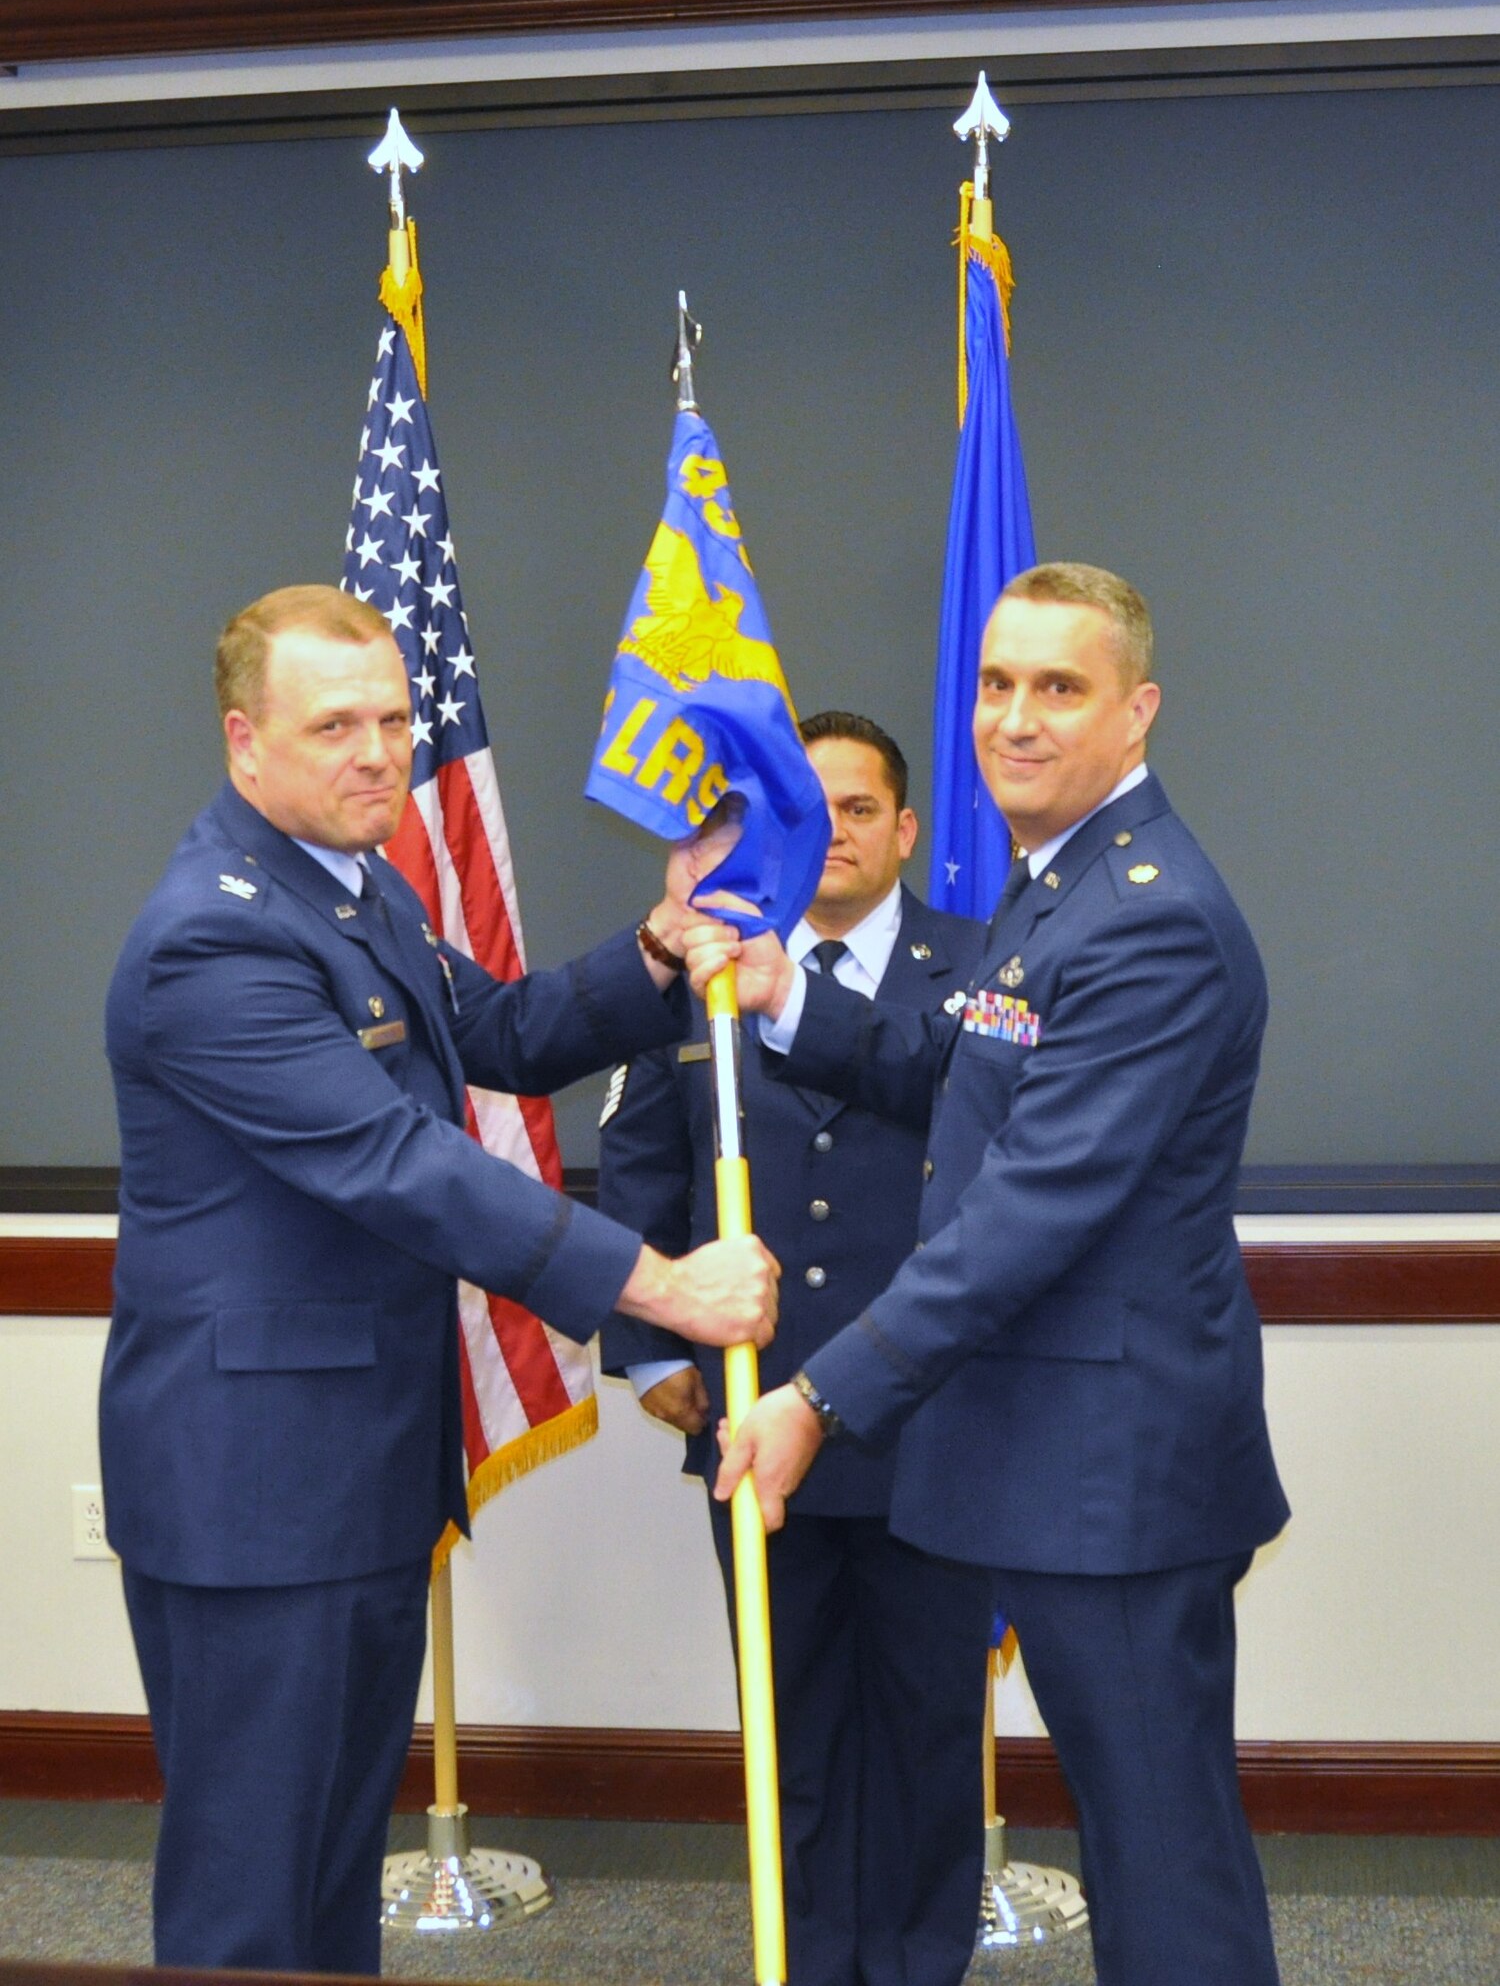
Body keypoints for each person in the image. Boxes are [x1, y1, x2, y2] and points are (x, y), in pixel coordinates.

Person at [100, 584, 778, 1977]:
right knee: (251, 1892)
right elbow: (403, 1167)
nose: (378, 752)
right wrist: (662, 1288)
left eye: (396, 719)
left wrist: (654, 948)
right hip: (253, 1490)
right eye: (334, 724)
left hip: (347, 1470)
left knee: (332, 1864)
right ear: (245, 741)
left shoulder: (364, 885)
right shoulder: (211, 940)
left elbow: (506, 1032)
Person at [696, 565, 1290, 1986]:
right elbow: (963, 1072)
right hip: (1058, 1452)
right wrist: (796, 1001)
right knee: (1143, 1843)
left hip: (1115, 1475)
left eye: (1060, 688)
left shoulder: (1145, 914)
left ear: (1137, 711)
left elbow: (1030, 1209)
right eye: (997, 684)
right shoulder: (1058, 888)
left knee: (1161, 1861)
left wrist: (818, 1399)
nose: (1014, 720)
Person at [599, 713, 994, 1986]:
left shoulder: (983, 968)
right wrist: (644, 1342)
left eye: (861, 809)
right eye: (810, 812)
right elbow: (641, 1156)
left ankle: (920, 1959)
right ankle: (809, 1954)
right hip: (748, 1415)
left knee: (933, 1723)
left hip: (928, 1416)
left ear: (906, 829)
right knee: (792, 1721)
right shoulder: (709, 965)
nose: (836, 834)